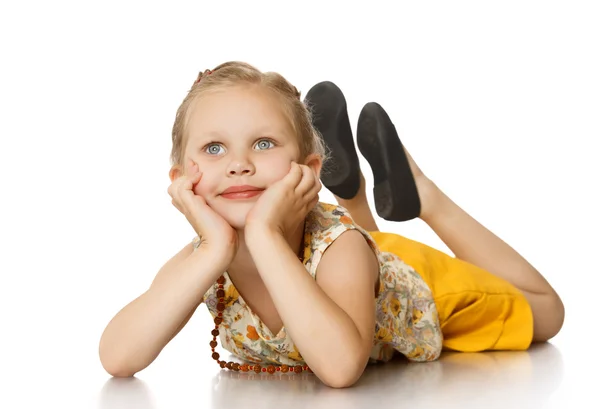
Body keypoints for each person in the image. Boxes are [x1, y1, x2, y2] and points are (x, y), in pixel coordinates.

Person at [98, 61, 564, 389]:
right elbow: (117, 358)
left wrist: (261, 235)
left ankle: (425, 197)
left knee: (546, 315)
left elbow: (340, 369)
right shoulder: (204, 257)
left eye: (263, 144)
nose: (239, 164)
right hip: (367, 252)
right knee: (370, 244)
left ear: (307, 171)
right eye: (214, 149)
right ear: (181, 180)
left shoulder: (339, 251)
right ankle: (354, 196)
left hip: (425, 285)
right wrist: (217, 247)